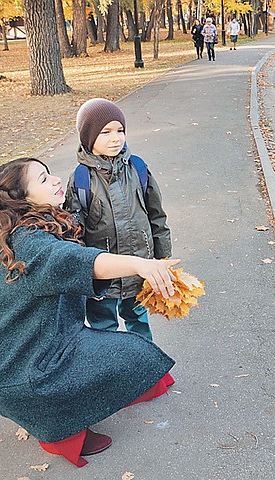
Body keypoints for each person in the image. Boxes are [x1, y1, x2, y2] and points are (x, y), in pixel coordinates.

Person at [0, 157, 178, 467]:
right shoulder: (31, 244)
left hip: (44, 350)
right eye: (44, 180)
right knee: (132, 352)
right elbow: (81, 261)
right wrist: (141, 264)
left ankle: (76, 407)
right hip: (29, 370)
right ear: (21, 199)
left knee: (134, 351)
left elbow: (80, 252)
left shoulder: (38, 226)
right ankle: (59, 434)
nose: (57, 180)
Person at [64, 98, 172, 341]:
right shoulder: (81, 179)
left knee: (139, 320)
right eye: (105, 132)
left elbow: (157, 217)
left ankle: (145, 368)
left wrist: (162, 259)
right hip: (103, 276)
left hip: (139, 267)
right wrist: (83, 275)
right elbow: (73, 232)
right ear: (88, 137)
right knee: (103, 326)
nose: (116, 138)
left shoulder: (138, 168)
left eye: (120, 130)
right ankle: (110, 372)